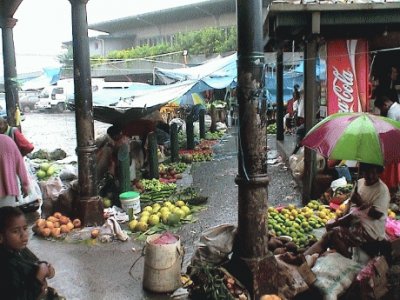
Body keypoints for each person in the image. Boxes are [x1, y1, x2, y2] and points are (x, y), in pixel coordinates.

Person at [304, 163, 390, 259]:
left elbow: (378, 215)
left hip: (370, 230)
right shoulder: (360, 183)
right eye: (367, 172)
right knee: (328, 232)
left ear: (378, 173)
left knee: (334, 234)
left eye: (373, 173)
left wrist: (361, 203)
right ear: (362, 172)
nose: (370, 176)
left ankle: (348, 259)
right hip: (356, 222)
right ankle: (303, 257)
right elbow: (350, 206)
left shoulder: (382, 190)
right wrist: (340, 218)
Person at [0, 206, 63, 299]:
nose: (24, 235)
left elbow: (35, 263)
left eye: (25, 228)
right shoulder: (5, 266)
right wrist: (39, 277)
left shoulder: (20, 249)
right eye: (15, 231)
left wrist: (46, 267)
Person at [374, 95, 400, 198]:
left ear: (385, 104)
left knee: (394, 169)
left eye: (381, 108)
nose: (382, 111)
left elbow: (389, 132)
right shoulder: (398, 107)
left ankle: (395, 192)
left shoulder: (391, 112)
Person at [0, 134, 30, 208]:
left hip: (7, 190)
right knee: (8, 218)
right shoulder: (8, 141)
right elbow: (20, 165)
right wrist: (25, 185)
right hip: (7, 189)